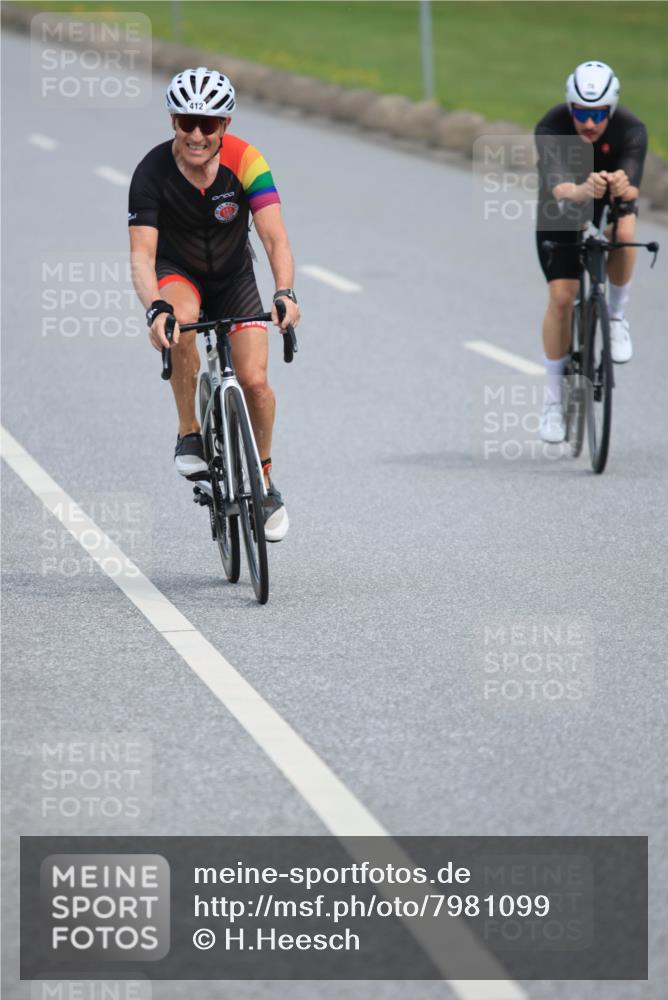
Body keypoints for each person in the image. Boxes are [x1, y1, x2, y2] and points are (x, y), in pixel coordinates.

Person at [128, 66, 300, 541]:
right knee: (179, 321)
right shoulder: (151, 172)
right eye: (187, 122)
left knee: (255, 382)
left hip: (233, 277)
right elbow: (142, 256)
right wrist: (154, 308)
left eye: (209, 123)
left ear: (225, 125)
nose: (197, 134)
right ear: (173, 122)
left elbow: (274, 237)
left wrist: (284, 291)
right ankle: (190, 431)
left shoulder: (247, 161)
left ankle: (264, 483)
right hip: (178, 274)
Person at [534, 61, 647, 443]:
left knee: (627, 226)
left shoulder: (630, 130)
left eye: (597, 114)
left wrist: (622, 184)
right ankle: (552, 402)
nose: (588, 124)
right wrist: (582, 190)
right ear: (570, 108)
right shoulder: (551, 127)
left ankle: (615, 317)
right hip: (563, 206)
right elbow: (556, 186)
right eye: (581, 113)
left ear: (610, 111)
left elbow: (633, 190)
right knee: (562, 299)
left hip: (609, 199)